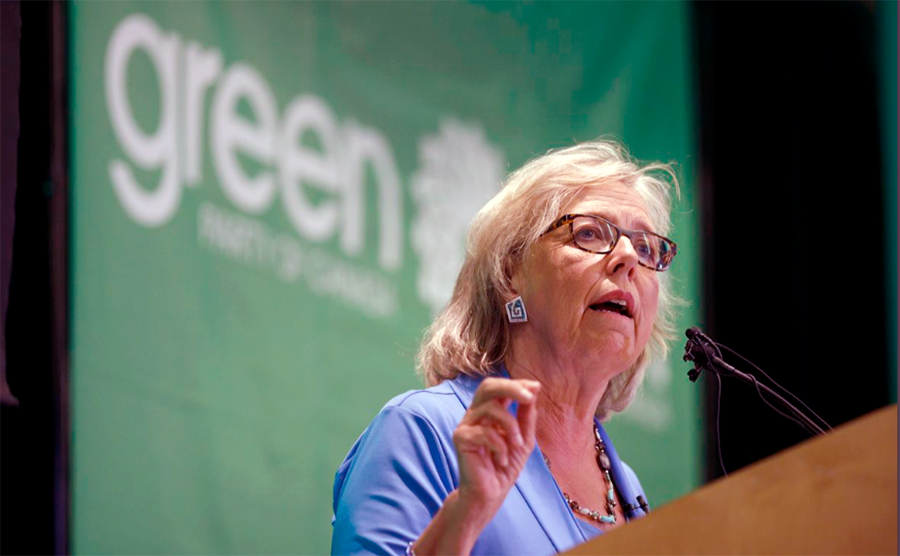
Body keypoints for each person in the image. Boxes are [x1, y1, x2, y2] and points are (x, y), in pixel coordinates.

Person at [331, 140, 680, 555]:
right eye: (588, 233)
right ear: (511, 272)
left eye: (645, 248)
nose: (627, 257)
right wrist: (463, 516)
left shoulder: (628, 488)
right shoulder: (424, 430)